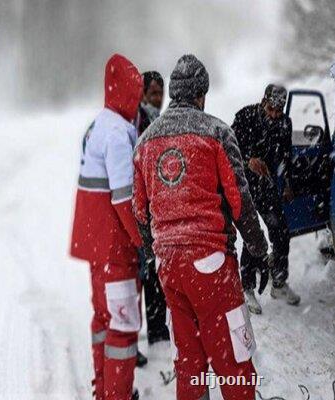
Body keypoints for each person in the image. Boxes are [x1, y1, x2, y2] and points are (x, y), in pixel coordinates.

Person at [133, 54, 269, 400]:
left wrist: (155, 251)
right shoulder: (216, 133)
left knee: (190, 362)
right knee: (233, 361)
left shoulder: (145, 142)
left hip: (170, 270)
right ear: (200, 95)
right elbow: (239, 199)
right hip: (211, 266)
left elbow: (140, 210)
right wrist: (258, 247)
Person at [70, 54, 143, 400]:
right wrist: (140, 239)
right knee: (124, 326)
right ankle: (118, 395)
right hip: (116, 248)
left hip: (95, 244)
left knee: (103, 319)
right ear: (128, 92)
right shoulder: (116, 134)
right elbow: (123, 198)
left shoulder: (96, 125)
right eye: (137, 92)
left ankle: (104, 390)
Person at [231, 84, 301, 315]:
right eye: (271, 109)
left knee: (281, 230)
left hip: (268, 184)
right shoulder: (245, 116)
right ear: (263, 102)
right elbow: (228, 151)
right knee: (253, 232)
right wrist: (248, 160)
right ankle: (247, 286)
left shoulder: (284, 123)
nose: (274, 115)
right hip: (245, 185)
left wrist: (288, 184)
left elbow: (286, 156)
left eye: (278, 111)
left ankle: (278, 282)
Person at [136, 71, 171, 346]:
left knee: (155, 267)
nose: (158, 99)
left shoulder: (156, 119)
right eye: (153, 93)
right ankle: (156, 329)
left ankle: (158, 326)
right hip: (145, 207)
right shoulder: (140, 121)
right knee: (149, 269)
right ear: (142, 93)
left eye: (161, 93)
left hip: (154, 205)